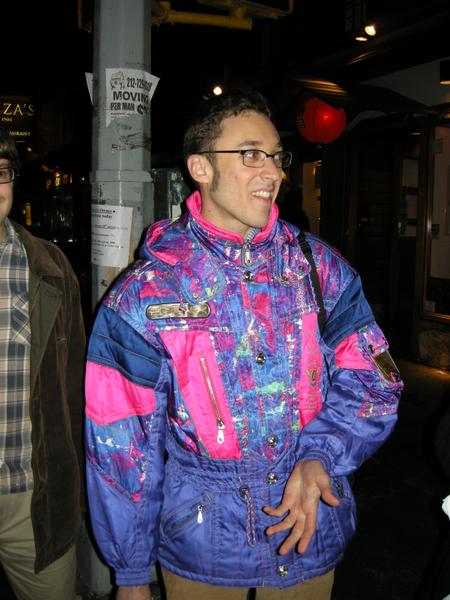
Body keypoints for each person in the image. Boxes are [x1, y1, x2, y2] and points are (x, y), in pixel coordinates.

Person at [84, 87, 403, 600]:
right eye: (251, 154)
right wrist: (132, 572)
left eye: (276, 156)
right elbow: (121, 446)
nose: (273, 172)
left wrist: (321, 454)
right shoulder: (146, 295)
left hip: (308, 532)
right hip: (201, 550)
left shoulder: (318, 269)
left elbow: (376, 379)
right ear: (200, 167)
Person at [0, 127, 86, 600]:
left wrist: (78, 487)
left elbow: (75, 389)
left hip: (32, 499)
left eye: (0, 172)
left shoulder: (50, 267)